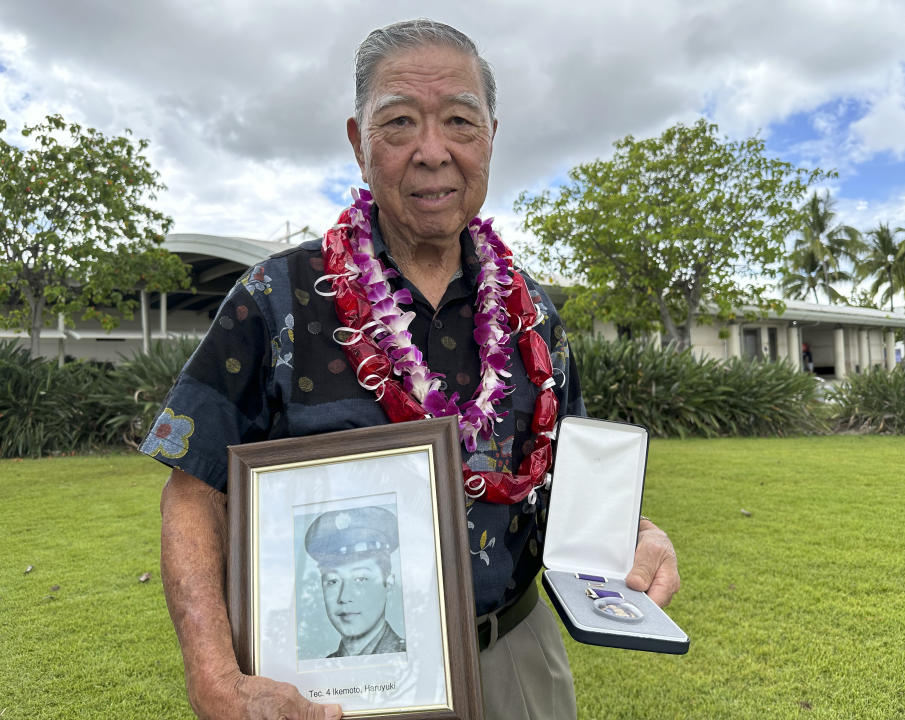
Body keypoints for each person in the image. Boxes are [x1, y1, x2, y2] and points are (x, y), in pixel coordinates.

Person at [146, 18, 680, 720]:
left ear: (491, 134)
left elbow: (566, 483)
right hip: (331, 686)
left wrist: (633, 533)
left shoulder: (533, 316)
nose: (433, 152)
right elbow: (195, 491)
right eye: (399, 123)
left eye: (459, 121)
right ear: (358, 144)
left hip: (514, 661)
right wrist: (213, 675)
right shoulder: (274, 300)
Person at [303, 506, 406, 658]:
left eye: (360, 579)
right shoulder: (324, 666)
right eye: (333, 581)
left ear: (389, 583)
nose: (344, 597)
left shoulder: (410, 662)